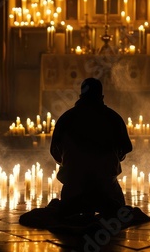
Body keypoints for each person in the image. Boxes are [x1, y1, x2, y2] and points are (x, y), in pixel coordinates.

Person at [50, 77, 132, 218]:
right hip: (105, 183)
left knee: (67, 211)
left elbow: (54, 150)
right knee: (117, 210)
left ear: (81, 95)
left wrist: (68, 162)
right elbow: (126, 147)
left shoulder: (67, 118)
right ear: (101, 96)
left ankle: (73, 207)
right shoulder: (113, 118)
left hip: (74, 183)